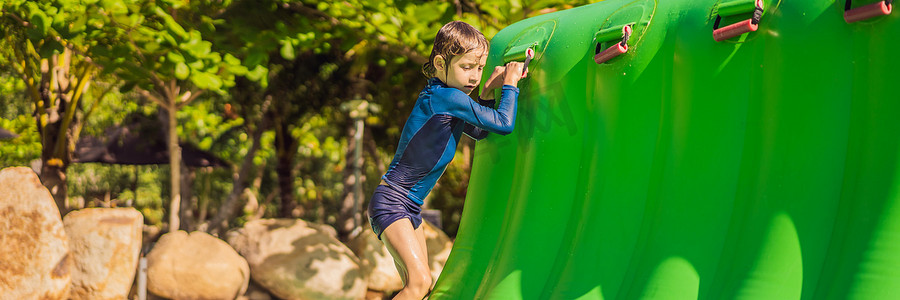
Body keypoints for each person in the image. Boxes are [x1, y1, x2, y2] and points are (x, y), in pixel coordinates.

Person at [367, 20, 526, 299]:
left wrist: (486, 94)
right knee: (418, 284)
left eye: (479, 68)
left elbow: (480, 132)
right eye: (467, 67)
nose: (475, 77)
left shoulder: (447, 98)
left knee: (421, 287)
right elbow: (503, 124)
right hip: (393, 203)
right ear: (440, 63)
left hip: (409, 208)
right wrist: (511, 84)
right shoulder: (448, 97)